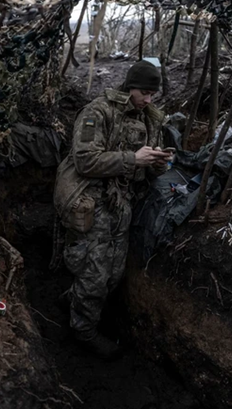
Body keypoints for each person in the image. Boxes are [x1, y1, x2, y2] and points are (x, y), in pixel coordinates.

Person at [54, 61, 172, 359]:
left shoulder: (150, 118)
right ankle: (83, 331)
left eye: (152, 94)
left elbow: (148, 165)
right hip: (92, 203)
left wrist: (157, 164)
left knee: (114, 273)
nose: (148, 99)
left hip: (123, 204)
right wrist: (133, 158)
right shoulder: (98, 111)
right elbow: (84, 161)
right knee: (94, 275)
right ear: (129, 86)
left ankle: (75, 301)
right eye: (144, 92)